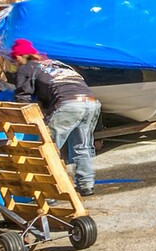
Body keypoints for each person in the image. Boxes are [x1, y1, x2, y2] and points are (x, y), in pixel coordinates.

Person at [9, 38, 101, 194]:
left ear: (19, 56)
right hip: (91, 102)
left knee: (49, 148)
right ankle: (86, 185)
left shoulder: (26, 68)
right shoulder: (56, 64)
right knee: (82, 146)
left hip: (68, 105)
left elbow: (22, 98)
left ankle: (49, 191)